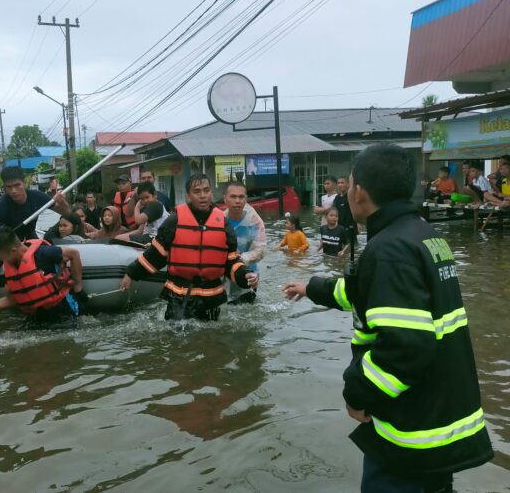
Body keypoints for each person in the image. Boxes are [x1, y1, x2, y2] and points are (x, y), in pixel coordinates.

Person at [283, 144, 493, 492]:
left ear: (361, 192)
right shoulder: (424, 235)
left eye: (349, 185)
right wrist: (312, 287)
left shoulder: (390, 250)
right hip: (439, 423)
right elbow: (368, 293)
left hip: (411, 437)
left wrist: (357, 393)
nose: (347, 192)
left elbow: (406, 348)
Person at [120, 174, 258, 321]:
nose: (203, 195)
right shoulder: (174, 221)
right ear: (188, 196)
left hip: (211, 297)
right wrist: (131, 273)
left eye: (206, 190)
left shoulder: (224, 225)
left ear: (212, 193)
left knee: (211, 340)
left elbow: (231, 261)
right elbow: (156, 254)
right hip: (179, 296)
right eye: (197, 191)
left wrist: (245, 275)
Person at [0, 225, 87, 319]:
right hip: (40, 315)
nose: (2, 261)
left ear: (13, 251)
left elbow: (73, 253)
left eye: (2, 258)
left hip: (65, 309)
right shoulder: (13, 267)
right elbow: (12, 299)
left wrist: (78, 287)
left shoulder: (43, 253)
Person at [222, 181, 266, 304]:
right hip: (225, 276)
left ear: (246, 199)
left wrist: (240, 259)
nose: (237, 201)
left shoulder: (255, 222)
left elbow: (261, 250)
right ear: (225, 199)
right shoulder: (218, 220)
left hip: (248, 275)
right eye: (233, 196)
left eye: (241, 197)